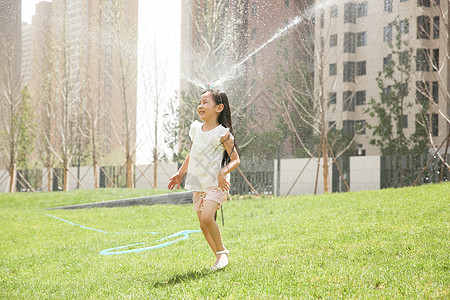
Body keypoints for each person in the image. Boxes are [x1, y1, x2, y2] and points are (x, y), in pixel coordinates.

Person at [168, 89, 240, 271]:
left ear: (219, 108)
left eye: (205, 102)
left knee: (208, 218)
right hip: (197, 181)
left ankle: (222, 251)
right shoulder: (196, 129)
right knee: (203, 225)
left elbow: (235, 159)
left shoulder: (223, 133)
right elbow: (194, 153)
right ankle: (218, 257)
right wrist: (180, 173)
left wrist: (223, 172)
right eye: (199, 102)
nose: (200, 106)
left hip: (216, 183)